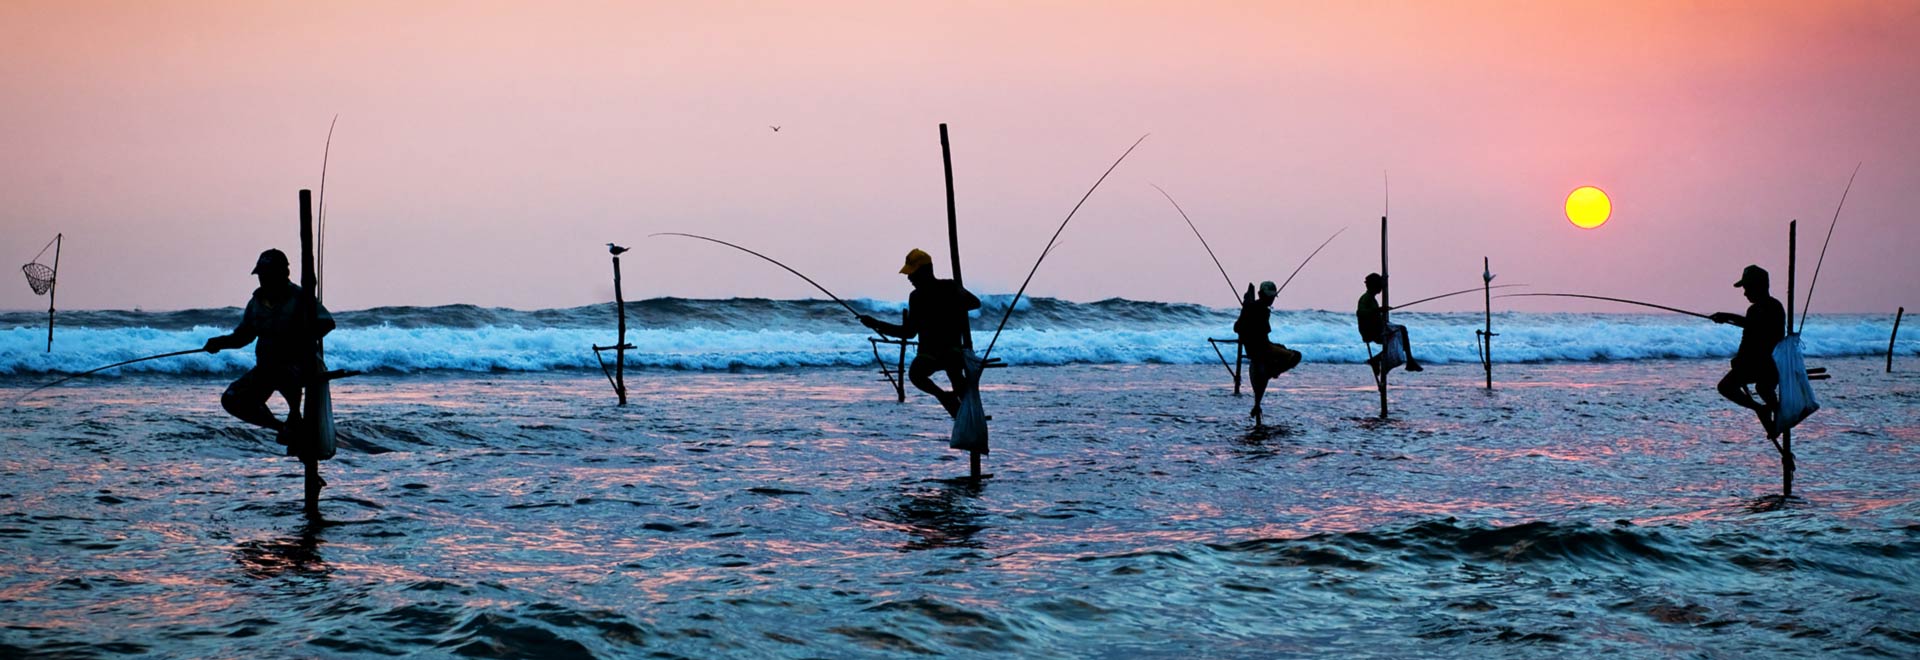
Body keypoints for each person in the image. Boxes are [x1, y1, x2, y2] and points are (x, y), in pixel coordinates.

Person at [203, 249, 335, 450]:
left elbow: (326, 323)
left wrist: (297, 338)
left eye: (268, 274)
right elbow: (243, 337)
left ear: (283, 274)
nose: (263, 280)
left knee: (281, 373)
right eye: (261, 275)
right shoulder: (256, 303)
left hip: (297, 367)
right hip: (266, 368)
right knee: (232, 399)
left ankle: (294, 418)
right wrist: (219, 343)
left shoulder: (300, 298)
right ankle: (282, 427)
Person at [860, 249, 982, 417]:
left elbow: (975, 303)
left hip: (952, 350)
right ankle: (945, 398)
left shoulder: (949, 287)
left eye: (913, 274)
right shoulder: (917, 296)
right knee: (916, 374)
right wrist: (877, 324)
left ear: (925, 271)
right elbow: (909, 332)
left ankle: (969, 412)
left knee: (954, 373)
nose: (909, 278)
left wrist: (954, 299)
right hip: (928, 353)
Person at [1710, 264, 1785, 439]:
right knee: (1763, 388)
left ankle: (1764, 410)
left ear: (1759, 286)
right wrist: (1739, 358)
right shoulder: (1759, 309)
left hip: (1766, 364)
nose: (1745, 293)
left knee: (1726, 387)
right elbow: (1749, 334)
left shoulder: (1769, 307)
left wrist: (1726, 316)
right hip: (1762, 364)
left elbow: (1756, 330)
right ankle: (1773, 413)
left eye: (1747, 288)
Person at [1234, 281, 1304, 421]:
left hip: (1257, 347)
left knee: (1282, 349)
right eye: (1269, 296)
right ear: (1261, 295)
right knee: (1296, 356)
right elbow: (1259, 335)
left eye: (1272, 297)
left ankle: (1269, 374)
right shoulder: (1261, 310)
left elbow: (1237, 328)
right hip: (1262, 347)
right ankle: (1272, 372)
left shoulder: (1250, 308)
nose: (1271, 299)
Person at [1356, 272, 1423, 373]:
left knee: (1397, 338)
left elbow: (1374, 315)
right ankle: (1409, 360)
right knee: (1402, 330)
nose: (1381, 288)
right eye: (1379, 285)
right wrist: (1379, 310)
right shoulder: (1366, 298)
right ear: (1374, 285)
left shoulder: (1372, 299)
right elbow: (1361, 313)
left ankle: (1376, 360)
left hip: (1375, 328)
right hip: (1372, 332)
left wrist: (1381, 313)